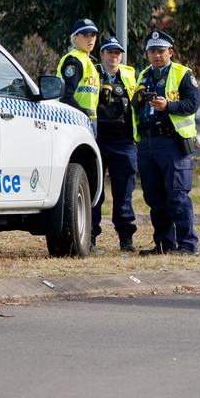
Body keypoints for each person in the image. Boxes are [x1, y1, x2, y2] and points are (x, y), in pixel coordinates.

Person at [134, 30, 200, 255]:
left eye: (161, 51)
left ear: (170, 52)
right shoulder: (143, 75)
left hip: (172, 142)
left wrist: (168, 107)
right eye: (152, 51)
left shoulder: (183, 73)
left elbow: (192, 104)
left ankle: (188, 245)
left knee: (177, 195)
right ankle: (163, 244)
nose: (156, 55)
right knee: (154, 197)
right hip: (147, 142)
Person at [91, 36, 139, 253]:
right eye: (109, 52)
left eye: (117, 53)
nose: (113, 56)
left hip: (124, 140)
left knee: (124, 192)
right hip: (97, 139)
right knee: (94, 191)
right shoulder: (91, 74)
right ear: (102, 54)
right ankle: (89, 235)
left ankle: (126, 238)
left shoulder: (130, 75)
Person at [56, 19, 101, 124]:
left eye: (93, 35)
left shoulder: (88, 61)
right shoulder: (74, 61)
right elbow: (66, 97)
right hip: (74, 118)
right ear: (75, 38)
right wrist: (83, 115)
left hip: (86, 119)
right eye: (85, 35)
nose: (90, 39)